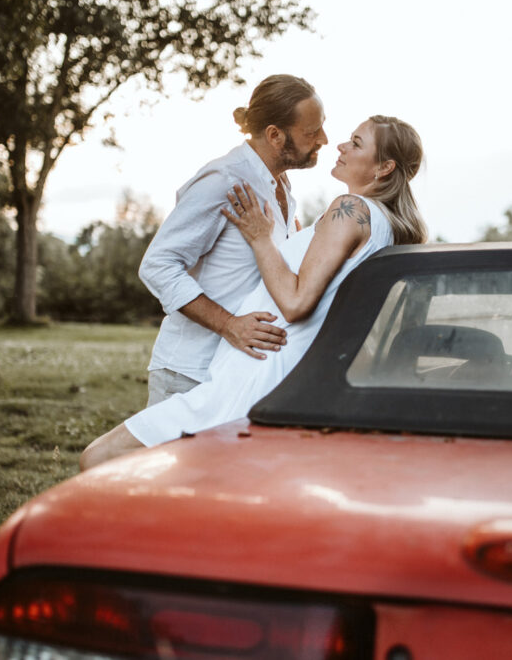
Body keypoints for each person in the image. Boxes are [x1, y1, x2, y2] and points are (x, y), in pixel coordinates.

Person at [80, 115, 427, 470]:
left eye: (356, 143)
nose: (339, 145)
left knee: (100, 458)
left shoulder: (349, 210)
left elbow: (296, 302)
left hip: (254, 376)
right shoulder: (385, 224)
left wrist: (262, 239)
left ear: (384, 167)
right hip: (271, 375)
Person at [139, 74, 328, 408]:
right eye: (311, 132)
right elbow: (158, 265)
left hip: (236, 376)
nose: (324, 139)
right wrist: (228, 325)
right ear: (275, 135)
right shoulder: (223, 180)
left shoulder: (280, 187)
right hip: (189, 374)